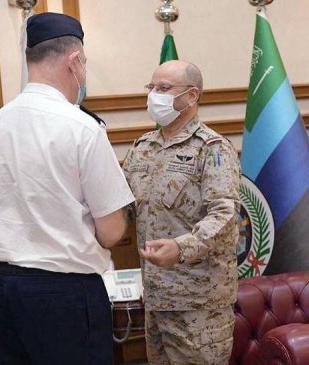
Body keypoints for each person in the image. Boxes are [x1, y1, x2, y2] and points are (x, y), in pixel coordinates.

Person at [0, 12, 135, 365]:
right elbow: (111, 232)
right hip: (65, 293)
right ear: (74, 60)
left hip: (3, 287)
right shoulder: (82, 127)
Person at [122, 60, 241, 364]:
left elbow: (225, 216)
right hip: (156, 299)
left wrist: (181, 248)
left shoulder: (211, 148)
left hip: (200, 305)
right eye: (152, 88)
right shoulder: (141, 148)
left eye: (164, 88)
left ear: (191, 96)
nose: (154, 96)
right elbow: (125, 208)